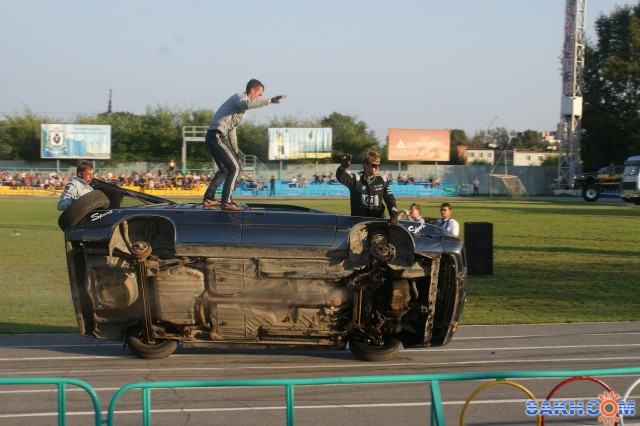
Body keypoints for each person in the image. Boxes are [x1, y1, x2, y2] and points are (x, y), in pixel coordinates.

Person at [202, 79, 285, 211]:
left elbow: (232, 130)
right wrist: (269, 101)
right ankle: (226, 202)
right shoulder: (239, 98)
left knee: (225, 169)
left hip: (215, 136)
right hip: (216, 135)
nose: (260, 97)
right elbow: (248, 103)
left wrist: (236, 152)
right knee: (235, 167)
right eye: (259, 94)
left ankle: (209, 199)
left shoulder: (239, 110)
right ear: (252, 90)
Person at [336, 151, 399, 225]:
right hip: (358, 224)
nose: (377, 168)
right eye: (374, 165)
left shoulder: (382, 180)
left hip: (378, 222)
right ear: (365, 165)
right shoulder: (356, 179)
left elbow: (390, 199)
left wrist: (394, 215)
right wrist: (342, 167)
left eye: (378, 165)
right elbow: (340, 176)